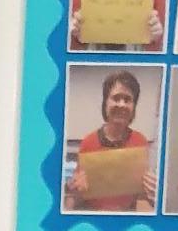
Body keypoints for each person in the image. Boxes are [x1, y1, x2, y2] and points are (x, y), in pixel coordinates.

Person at [66, 69, 159, 212]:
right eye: (116, 98)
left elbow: (141, 198)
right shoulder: (88, 143)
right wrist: (75, 191)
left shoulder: (140, 142)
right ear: (105, 103)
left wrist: (154, 195)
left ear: (133, 106)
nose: (121, 104)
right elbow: (75, 199)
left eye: (127, 99)